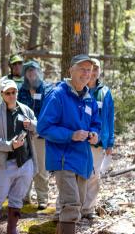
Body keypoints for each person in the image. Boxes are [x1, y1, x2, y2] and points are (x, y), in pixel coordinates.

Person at [37, 54, 101, 234]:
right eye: (82, 69)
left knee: (76, 205)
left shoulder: (89, 97)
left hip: (82, 159)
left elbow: (96, 123)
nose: (86, 73)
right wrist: (71, 135)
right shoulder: (57, 95)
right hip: (63, 158)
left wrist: (96, 135)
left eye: (89, 70)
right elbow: (43, 127)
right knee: (71, 204)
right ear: (71, 70)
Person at [0, 79, 37, 234]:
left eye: (14, 92)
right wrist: (10, 145)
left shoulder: (26, 110)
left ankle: (12, 228)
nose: (12, 95)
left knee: (18, 197)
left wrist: (31, 125)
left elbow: (38, 130)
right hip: (4, 164)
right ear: (2, 94)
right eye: (8, 93)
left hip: (25, 161)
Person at [17, 60, 53, 209]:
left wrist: (40, 129)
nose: (31, 73)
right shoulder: (21, 90)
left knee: (41, 168)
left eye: (34, 70)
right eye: (28, 71)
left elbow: (49, 112)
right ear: (25, 74)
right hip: (25, 135)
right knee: (25, 166)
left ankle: (43, 198)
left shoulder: (45, 89)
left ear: (39, 72)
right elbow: (17, 110)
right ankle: (25, 196)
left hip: (40, 134)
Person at [81, 58, 115, 220]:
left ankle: (88, 209)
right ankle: (75, 207)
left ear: (99, 71)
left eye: (96, 69)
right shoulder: (80, 89)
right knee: (78, 173)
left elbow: (109, 118)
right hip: (79, 139)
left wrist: (110, 142)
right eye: (91, 69)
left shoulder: (105, 92)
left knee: (94, 175)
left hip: (99, 140)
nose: (93, 73)